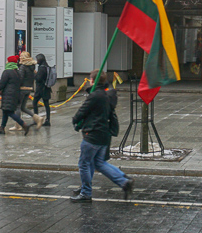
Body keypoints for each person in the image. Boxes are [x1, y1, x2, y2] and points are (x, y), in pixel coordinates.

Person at [69, 71, 133, 203]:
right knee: (99, 163)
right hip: (104, 135)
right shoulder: (106, 95)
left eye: (90, 79)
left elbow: (82, 111)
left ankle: (86, 193)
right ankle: (124, 181)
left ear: (92, 80)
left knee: (84, 164)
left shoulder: (95, 96)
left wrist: (75, 120)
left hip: (92, 134)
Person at [0, 56, 30, 136]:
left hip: (8, 95)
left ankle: (24, 124)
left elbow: (2, 84)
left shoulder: (7, 72)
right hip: (15, 94)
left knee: (9, 112)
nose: (6, 62)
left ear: (9, 62)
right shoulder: (17, 72)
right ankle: (2, 128)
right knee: (5, 111)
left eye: (7, 61)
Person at [33, 53, 55, 126]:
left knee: (34, 102)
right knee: (46, 104)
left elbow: (38, 78)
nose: (37, 61)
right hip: (46, 88)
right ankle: (48, 120)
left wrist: (35, 74)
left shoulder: (41, 68)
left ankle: (36, 118)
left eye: (37, 59)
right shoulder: (46, 66)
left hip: (41, 89)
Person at [17, 51, 37, 126]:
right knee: (23, 107)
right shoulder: (32, 67)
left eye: (21, 56)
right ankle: (36, 117)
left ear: (24, 58)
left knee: (17, 107)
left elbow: (20, 78)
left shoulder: (23, 67)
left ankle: (18, 124)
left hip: (22, 88)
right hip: (29, 88)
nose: (19, 58)